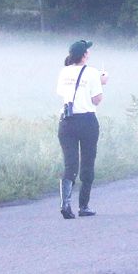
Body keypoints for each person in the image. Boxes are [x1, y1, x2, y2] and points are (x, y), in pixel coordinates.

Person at [56, 39, 108, 219]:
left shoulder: (64, 71)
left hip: (66, 121)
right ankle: (83, 206)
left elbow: (63, 93)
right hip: (87, 121)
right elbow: (97, 100)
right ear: (84, 55)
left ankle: (65, 204)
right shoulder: (93, 72)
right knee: (87, 163)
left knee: (70, 164)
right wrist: (102, 82)